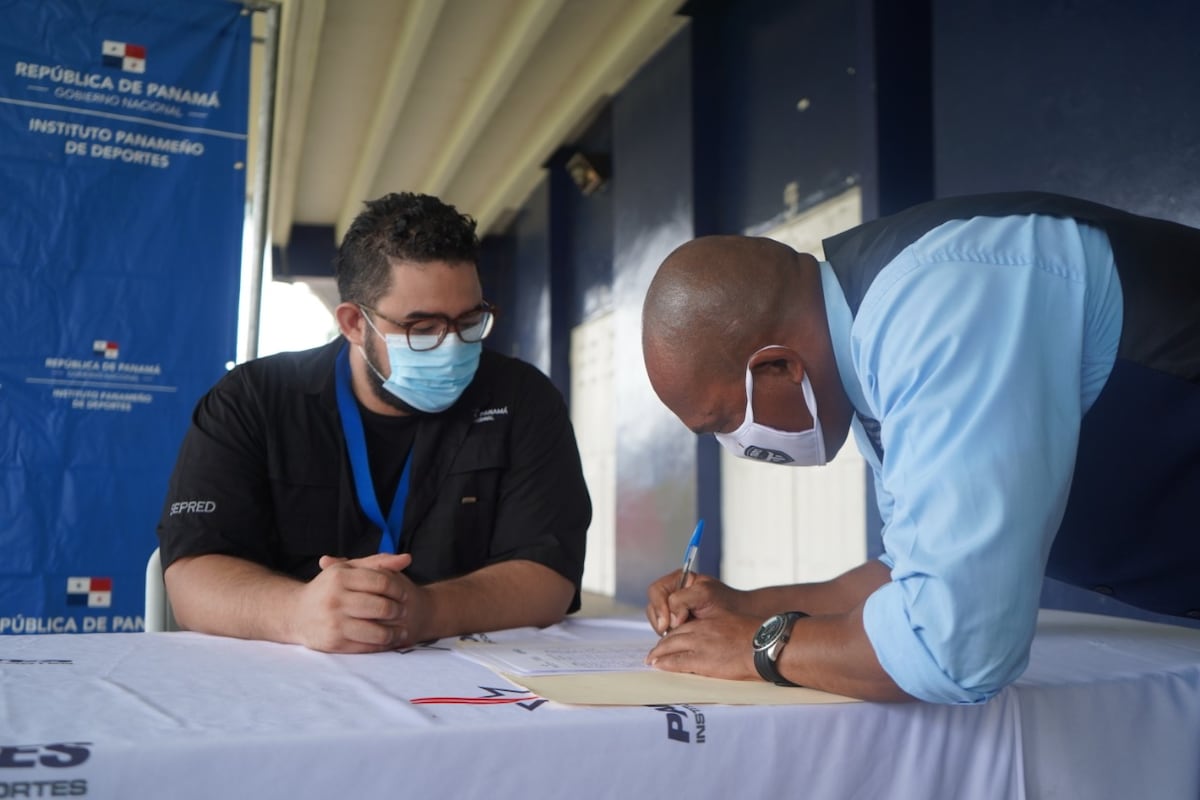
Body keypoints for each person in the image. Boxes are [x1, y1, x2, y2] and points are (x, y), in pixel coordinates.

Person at [640, 191, 1200, 703]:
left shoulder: (936, 308)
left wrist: (758, 647)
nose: (736, 444)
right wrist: (743, 607)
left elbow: (953, 646)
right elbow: (909, 570)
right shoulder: (865, 348)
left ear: (780, 367)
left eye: (726, 421)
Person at [157, 192, 590, 653]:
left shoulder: (522, 399)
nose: (451, 346)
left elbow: (549, 578)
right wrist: (296, 613)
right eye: (422, 329)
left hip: (465, 672)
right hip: (285, 669)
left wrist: (425, 611)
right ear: (353, 323)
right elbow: (192, 577)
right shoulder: (251, 401)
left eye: (469, 322)